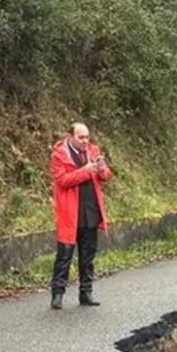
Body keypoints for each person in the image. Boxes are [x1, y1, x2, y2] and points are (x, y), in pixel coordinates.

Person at [49, 123, 113, 310]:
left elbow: (107, 176)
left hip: (90, 209)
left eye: (87, 137)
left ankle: (86, 292)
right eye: (81, 138)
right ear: (70, 136)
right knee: (64, 255)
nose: (85, 141)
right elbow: (62, 181)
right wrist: (86, 171)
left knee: (88, 255)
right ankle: (57, 294)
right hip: (70, 212)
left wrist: (101, 169)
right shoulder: (59, 155)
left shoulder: (93, 151)